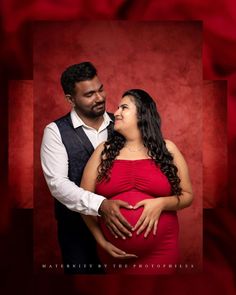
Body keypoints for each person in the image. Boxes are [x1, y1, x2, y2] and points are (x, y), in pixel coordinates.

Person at [80, 89, 193, 274]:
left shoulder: (168, 149)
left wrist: (162, 203)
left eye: (123, 107)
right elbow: (83, 199)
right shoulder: (104, 151)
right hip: (113, 253)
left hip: (161, 251)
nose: (115, 112)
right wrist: (102, 242)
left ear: (142, 113)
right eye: (117, 108)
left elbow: (188, 196)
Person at [40, 62, 135, 274]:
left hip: (123, 229)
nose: (100, 97)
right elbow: (57, 185)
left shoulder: (121, 124)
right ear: (70, 99)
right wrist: (101, 205)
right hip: (76, 232)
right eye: (89, 94)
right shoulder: (55, 132)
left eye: (100, 89)